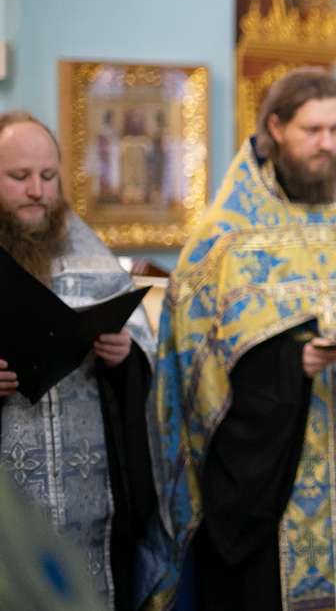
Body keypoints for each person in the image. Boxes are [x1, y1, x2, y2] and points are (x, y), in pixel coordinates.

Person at [143, 69, 336, 610]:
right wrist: (287, 364)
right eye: (312, 130)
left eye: (335, 130)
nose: (327, 144)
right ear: (275, 128)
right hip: (268, 481)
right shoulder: (226, 236)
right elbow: (194, 368)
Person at [0, 110, 157, 610]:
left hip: (92, 506)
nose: (37, 191)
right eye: (19, 176)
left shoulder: (89, 252)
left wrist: (124, 356)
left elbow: (142, 351)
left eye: (49, 176)